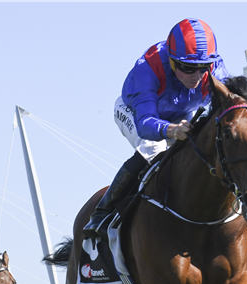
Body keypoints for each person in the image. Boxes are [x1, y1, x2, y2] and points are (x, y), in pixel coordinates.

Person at [82, 18, 230, 239]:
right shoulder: (148, 69)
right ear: (171, 61)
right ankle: (102, 212)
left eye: (203, 69)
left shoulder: (213, 67)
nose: (197, 77)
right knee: (153, 149)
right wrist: (171, 130)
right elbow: (145, 124)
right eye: (188, 68)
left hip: (181, 113)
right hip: (136, 112)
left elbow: (230, 105)